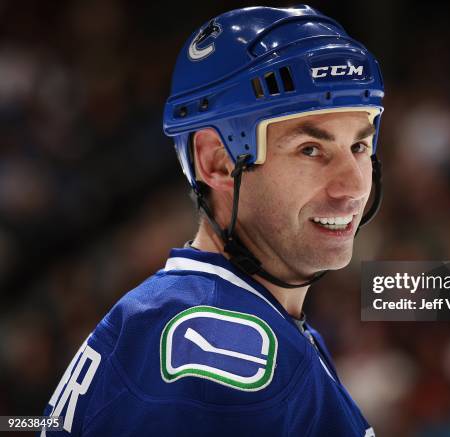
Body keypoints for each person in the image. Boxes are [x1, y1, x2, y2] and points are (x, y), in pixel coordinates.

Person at [40, 5, 383, 436]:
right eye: (311, 150)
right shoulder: (220, 350)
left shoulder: (240, 320)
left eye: (359, 148)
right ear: (218, 163)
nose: (352, 186)